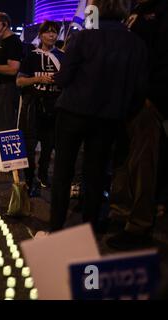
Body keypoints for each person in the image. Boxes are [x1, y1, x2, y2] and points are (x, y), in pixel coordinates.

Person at [49, 0, 148, 232]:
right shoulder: (136, 43)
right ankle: (89, 230)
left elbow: (63, 79)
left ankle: (56, 227)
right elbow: (139, 88)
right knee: (96, 175)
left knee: (63, 171)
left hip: (72, 112)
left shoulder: (83, 38)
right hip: (107, 118)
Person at [107, 0, 168, 250]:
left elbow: (163, 58)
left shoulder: (161, 10)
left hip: (146, 101)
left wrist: (151, 98)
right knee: (123, 161)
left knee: (143, 164)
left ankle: (139, 225)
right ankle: (122, 214)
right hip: (125, 99)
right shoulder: (135, 11)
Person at [17, 21, 64, 193]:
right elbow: (20, 81)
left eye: (54, 33)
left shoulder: (62, 56)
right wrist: (38, 79)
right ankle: (30, 179)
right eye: (48, 32)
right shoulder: (31, 56)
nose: (51, 35)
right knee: (29, 146)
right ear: (41, 35)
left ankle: (44, 176)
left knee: (48, 146)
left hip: (54, 108)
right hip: (33, 108)